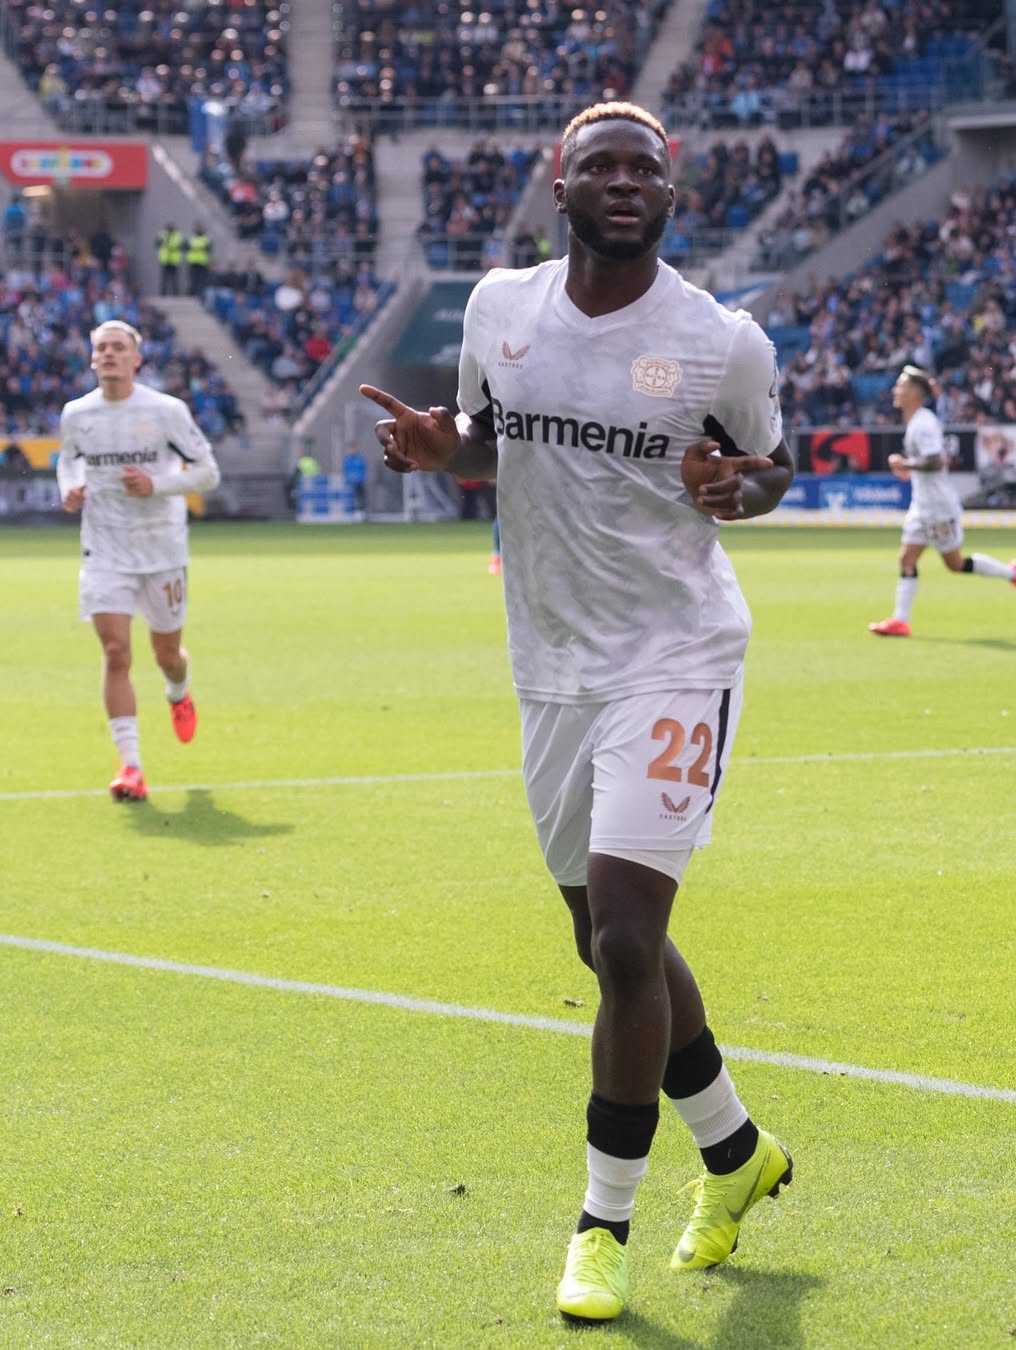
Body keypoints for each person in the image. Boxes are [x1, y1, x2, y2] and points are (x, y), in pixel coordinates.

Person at [360, 101, 795, 1324]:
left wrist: (741, 490)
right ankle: (736, 1151)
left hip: (676, 650)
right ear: (560, 184)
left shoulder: (720, 342)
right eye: (597, 164)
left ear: (674, 190)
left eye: (641, 167)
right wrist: (443, 450)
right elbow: (492, 437)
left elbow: (771, 464)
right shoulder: (501, 310)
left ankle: (601, 1226)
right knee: (609, 943)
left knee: (619, 937)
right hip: (549, 660)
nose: (620, 180)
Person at [57, 319, 221, 802]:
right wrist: (69, 489)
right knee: (115, 652)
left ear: (136, 359)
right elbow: (68, 460)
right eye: (101, 348)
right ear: (92, 359)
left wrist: (157, 485)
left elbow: (208, 473)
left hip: (162, 549)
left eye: (118, 348)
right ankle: (131, 767)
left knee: (166, 655)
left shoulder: (166, 411)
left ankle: (178, 692)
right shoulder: (77, 414)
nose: (108, 354)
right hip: (105, 548)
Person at [869, 365, 1015, 636]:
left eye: (900, 385)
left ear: (914, 391)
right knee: (908, 559)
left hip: (936, 508)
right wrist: (910, 466)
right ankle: (900, 620)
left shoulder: (923, 423)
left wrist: (906, 464)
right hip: (923, 506)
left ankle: (1011, 574)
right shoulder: (917, 421)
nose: (895, 390)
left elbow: (937, 460)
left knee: (954, 564)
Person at [185, 223, 213, 297]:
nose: (198, 229)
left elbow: (209, 249)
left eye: (199, 228)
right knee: (193, 279)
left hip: (202, 262)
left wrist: (197, 249)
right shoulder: (191, 238)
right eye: (197, 227)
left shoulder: (206, 239)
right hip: (193, 262)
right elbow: (186, 248)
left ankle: (200, 294)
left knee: (202, 280)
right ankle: (192, 294)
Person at [156, 223, 184, 295]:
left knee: (174, 278)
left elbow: (181, 245)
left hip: (174, 260)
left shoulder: (177, 235)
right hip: (165, 259)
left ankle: (175, 293)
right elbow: (157, 244)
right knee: (164, 278)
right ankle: (163, 293)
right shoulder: (162, 235)